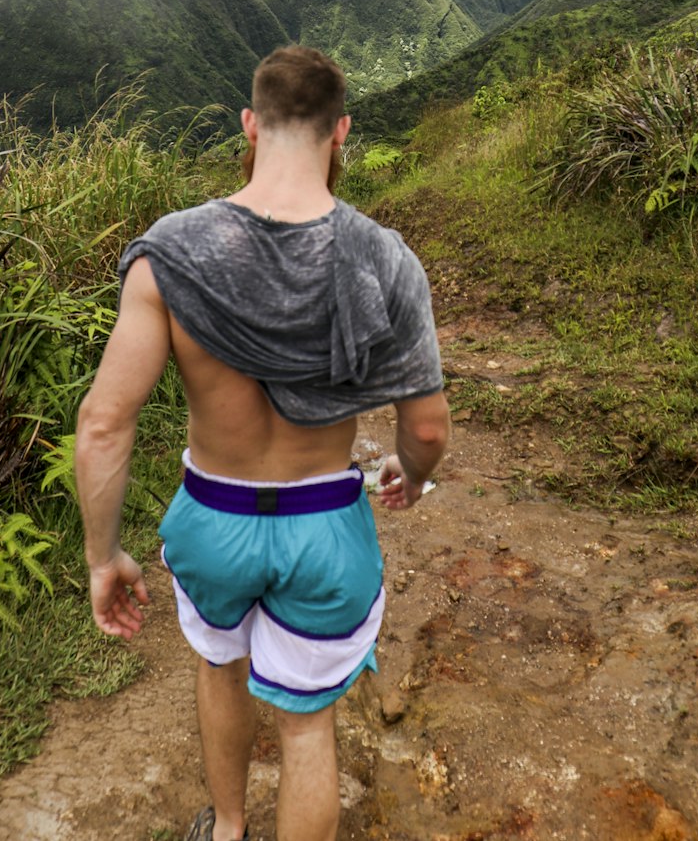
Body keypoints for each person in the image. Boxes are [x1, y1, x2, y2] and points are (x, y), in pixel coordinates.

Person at [75, 45, 450, 841]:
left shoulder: (170, 254)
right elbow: (424, 430)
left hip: (212, 519)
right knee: (307, 726)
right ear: (340, 132)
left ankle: (230, 829)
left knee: (220, 670)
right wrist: (407, 474)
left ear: (250, 125)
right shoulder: (386, 260)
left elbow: (105, 422)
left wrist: (104, 557)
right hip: (323, 523)